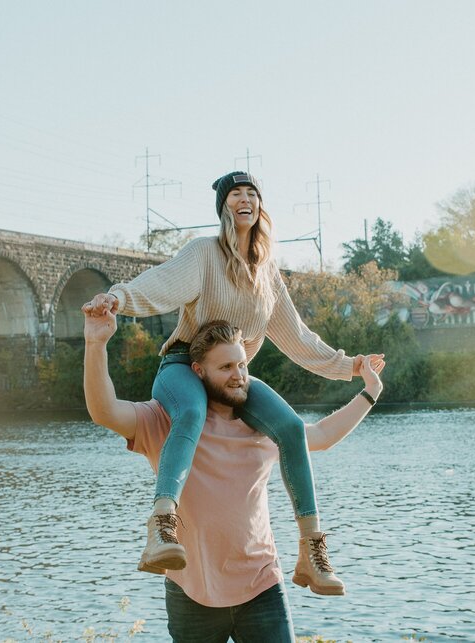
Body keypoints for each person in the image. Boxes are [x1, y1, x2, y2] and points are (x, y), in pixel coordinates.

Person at [82, 171, 374, 594]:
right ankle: (162, 525)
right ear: (224, 206)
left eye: (252, 194)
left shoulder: (266, 273)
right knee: (192, 411)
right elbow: (161, 284)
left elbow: (297, 337)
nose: (245, 199)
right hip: (185, 365)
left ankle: (311, 549)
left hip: (234, 375)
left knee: (291, 428)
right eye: (235, 194)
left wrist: (349, 366)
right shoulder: (203, 253)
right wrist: (118, 299)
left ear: (261, 207)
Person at [83, 312, 385, 642]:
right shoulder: (165, 422)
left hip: (261, 587)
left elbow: (321, 435)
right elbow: (105, 411)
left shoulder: (264, 428)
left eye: (242, 365)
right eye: (225, 367)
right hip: (191, 593)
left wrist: (370, 391)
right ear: (198, 372)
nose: (238, 376)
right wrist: (96, 343)